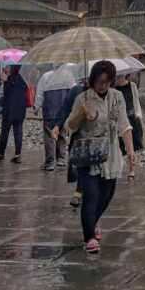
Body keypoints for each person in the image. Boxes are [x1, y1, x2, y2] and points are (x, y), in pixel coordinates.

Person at [65, 60, 135, 254]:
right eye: (99, 81)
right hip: (88, 153)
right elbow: (70, 126)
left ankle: (91, 222)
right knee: (91, 195)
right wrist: (81, 113)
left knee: (107, 194)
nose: (102, 85)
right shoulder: (83, 98)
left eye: (106, 81)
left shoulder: (117, 97)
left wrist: (130, 150)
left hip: (110, 153)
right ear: (92, 80)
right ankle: (89, 237)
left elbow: (124, 124)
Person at [56, 73, 88, 208]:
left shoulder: (106, 92)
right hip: (79, 132)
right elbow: (65, 108)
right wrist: (57, 125)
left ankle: (80, 192)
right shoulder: (77, 90)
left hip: (98, 135)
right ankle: (80, 190)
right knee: (80, 162)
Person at [36, 68, 70, 171]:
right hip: (63, 111)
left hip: (49, 111)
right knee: (62, 134)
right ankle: (61, 158)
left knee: (49, 136)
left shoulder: (46, 76)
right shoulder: (68, 76)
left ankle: (50, 162)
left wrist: (36, 106)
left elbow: (39, 94)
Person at [0, 66, 26, 163]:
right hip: (20, 108)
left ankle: (1, 153)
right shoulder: (24, 78)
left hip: (9, 109)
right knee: (18, 131)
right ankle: (18, 154)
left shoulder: (9, 79)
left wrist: (5, 81)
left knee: (5, 132)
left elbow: (6, 93)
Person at [114, 72, 144, 179]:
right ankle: (117, 165)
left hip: (131, 117)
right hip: (118, 119)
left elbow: (136, 101)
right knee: (119, 144)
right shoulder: (112, 87)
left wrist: (138, 114)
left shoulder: (132, 85)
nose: (119, 76)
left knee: (132, 147)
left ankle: (131, 169)